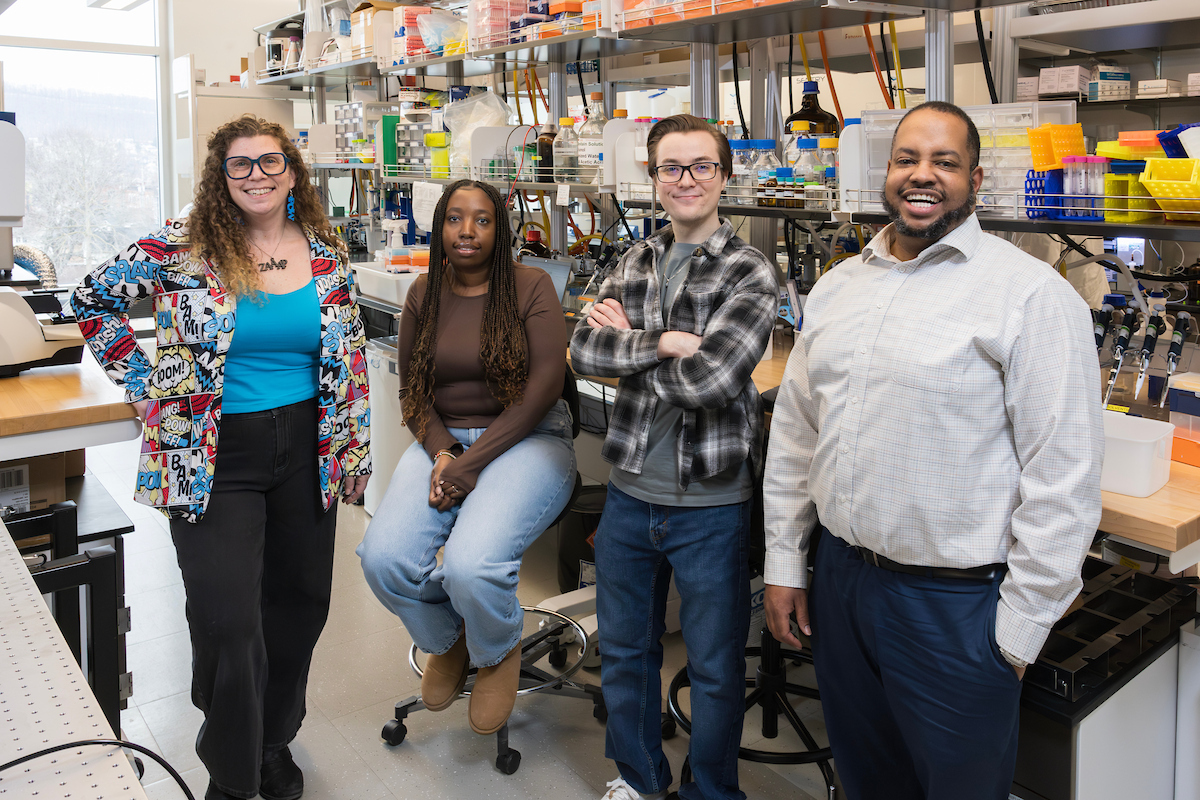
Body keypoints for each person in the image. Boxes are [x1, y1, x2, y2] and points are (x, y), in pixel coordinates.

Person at [762, 101, 1104, 800]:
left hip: (955, 606)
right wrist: (785, 564)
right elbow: (796, 436)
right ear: (885, 173)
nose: (923, 176)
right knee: (867, 781)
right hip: (843, 583)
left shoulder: (1030, 295)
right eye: (907, 159)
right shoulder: (837, 288)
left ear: (975, 179)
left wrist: (1016, 633)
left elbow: (1064, 479)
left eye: (944, 162)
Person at [71, 114, 372, 800]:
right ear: (220, 177)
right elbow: (91, 298)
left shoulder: (324, 247)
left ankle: (271, 741)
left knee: (299, 606)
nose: (257, 176)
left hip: (308, 444)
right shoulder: (182, 246)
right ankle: (233, 776)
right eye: (240, 165)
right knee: (227, 618)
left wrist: (353, 449)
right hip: (211, 454)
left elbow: (349, 353)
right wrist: (148, 386)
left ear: (291, 172)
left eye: (270, 163)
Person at [569, 115, 779, 800]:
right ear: (653, 177)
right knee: (626, 655)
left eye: (700, 166)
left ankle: (712, 792)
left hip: (711, 503)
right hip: (630, 491)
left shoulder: (750, 270)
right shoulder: (633, 260)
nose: (685, 180)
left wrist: (634, 344)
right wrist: (665, 343)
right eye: (671, 167)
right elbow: (583, 351)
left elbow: (713, 382)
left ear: (724, 176)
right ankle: (639, 780)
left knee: (717, 668)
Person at [357, 180, 575, 737]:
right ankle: (450, 640)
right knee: (383, 559)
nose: (467, 232)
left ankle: (497, 650)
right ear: (439, 228)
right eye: (455, 219)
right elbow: (414, 392)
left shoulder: (530, 287)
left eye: (482, 220)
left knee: (471, 564)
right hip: (444, 442)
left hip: (527, 439)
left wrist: (468, 465)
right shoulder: (423, 293)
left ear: (499, 230)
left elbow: (546, 384)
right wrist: (444, 452)